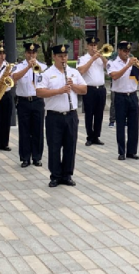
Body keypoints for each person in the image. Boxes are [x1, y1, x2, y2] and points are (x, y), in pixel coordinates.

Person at [37, 45, 88, 188]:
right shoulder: (47, 73)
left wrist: (73, 87)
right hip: (54, 116)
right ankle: (55, 176)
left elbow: (84, 89)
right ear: (54, 57)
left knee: (70, 145)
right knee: (54, 146)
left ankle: (67, 175)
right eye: (60, 56)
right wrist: (59, 90)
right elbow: (40, 92)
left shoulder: (73, 72)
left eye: (65, 56)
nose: (63, 59)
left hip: (71, 114)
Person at [108, 41, 139, 161]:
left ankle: (132, 151)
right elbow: (114, 76)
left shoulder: (133, 62)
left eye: (128, 51)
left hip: (133, 95)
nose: (127, 53)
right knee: (120, 124)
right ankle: (121, 152)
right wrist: (127, 66)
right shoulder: (112, 63)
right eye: (124, 51)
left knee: (134, 125)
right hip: (120, 96)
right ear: (119, 51)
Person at [13, 42, 45, 167]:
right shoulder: (19, 66)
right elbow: (14, 78)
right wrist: (28, 67)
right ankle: (25, 158)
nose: (31, 55)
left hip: (37, 100)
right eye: (29, 53)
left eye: (33, 53)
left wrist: (36, 66)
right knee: (24, 130)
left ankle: (37, 157)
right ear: (25, 53)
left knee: (38, 129)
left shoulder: (42, 66)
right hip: (23, 101)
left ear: (36, 54)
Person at [77, 37, 107, 147]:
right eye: (91, 45)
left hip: (101, 89)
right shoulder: (83, 58)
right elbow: (81, 71)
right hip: (89, 89)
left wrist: (102, 57)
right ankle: (89, 136)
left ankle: (96, 136)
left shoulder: (100, 57)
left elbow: (108, 67)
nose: (93, 47)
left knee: (99, 114)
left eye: (95, 45)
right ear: (87, 46)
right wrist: (92, 59)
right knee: (89, 114)